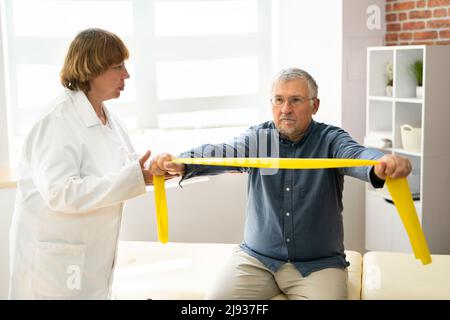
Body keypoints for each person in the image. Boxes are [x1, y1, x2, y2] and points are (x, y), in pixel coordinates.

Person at [151, 68, 412, 300]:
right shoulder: (260, 139)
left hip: (318, 265)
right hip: (256, 260)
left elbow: (357, 155)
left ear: (315, 105)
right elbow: (222, 152)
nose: (285, 109)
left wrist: (383, 164)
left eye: (295, 100)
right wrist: (182, 162)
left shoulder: (330, 140)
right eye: (279, 100)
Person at [9, 28, 154, 299]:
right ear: (91, 69)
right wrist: (135, 176)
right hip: (56, 262)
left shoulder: (107, 119)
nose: (126, 75)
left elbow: (124, 167)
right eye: (117, 66)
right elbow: (60, 193)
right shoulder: (57, 121)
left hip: (88, 256)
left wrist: (152, 170)